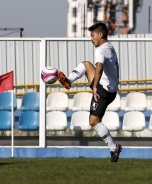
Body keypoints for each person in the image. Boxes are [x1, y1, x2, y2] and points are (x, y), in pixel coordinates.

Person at [58, 22, 122, 162]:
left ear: (100, 35)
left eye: (92, 35)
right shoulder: (108, 46)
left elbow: (99, 67)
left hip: (104, 90)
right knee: (86, 64)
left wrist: (94, 87)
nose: (91, 38)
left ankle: (114, 148)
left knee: (93, 121)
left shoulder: (101, 49)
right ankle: (68, 80)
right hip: (109, 89)